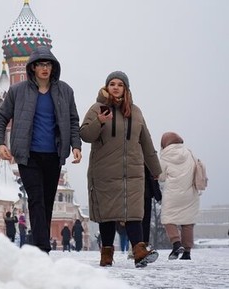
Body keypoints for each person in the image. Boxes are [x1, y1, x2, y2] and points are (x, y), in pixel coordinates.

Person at [0, 46, 82, 253]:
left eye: (48, 64)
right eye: (40, 64)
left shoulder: (65, 91)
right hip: (27, 155)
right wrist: (0, 143)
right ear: (32, 68)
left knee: (47, 201)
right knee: (36, 198)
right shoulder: (18, 91)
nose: (44, 68)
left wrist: (76, 145)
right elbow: (0, 117)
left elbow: (73, 120)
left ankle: (40, 242)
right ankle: (42, 247)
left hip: (54, 154)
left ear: (53, 67)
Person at [79, 71, 162, 268]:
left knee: (133, 211)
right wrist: (99, 121)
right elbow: (85, 135)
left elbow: (146, 141)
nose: (116, 87)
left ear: (126, 89)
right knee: (107, 213)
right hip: (105, 170)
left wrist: (155, 169)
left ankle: (139, 251)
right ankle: (106, 254)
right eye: (112, 84)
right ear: (107, 87)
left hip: (132, 170)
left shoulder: (136, 111)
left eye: (120, 84)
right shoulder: (97, 108)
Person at [158, 131, 200, 261]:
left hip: (173, 194)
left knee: (169, 219)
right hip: (190, 193)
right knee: (188, 222)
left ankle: (176, 243)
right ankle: (187, 252)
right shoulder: (189, 153)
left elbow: (161, 177)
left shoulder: (165, 156)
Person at [142, 165, 162, 248]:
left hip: (132, 193)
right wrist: (158, 195)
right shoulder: (147, 156)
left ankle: (136, 246)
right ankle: (144, 245)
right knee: (145, 221)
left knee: (134, 221)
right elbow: (152, 175)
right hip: (146, 193)